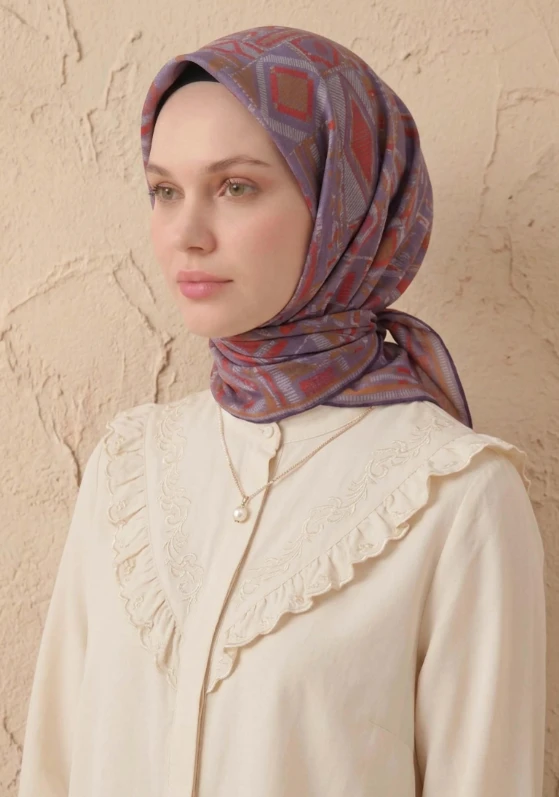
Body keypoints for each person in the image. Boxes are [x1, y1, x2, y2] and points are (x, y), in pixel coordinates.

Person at [18, 24, 546, 797]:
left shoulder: (456, 494)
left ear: (343, 205)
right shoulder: (128, 465)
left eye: (236, 186)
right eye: (165, 190)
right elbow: (54, 767)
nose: (186, 234)